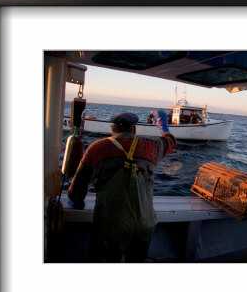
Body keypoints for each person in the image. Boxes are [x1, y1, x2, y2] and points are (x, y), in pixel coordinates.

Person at [68, 110, 176, 262]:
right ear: (134, 129)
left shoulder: (97, 148)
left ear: (112, 129)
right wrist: (162, 125)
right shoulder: (152, 146)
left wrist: (76, 201)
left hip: (111, 226)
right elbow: (170, 141)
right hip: (145, 224)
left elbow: (76, 190)